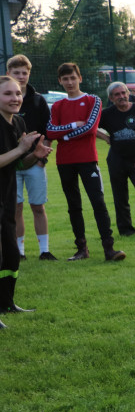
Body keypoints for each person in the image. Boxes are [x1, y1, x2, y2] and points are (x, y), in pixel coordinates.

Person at [45, 62, 125, 262]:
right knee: (73, 205)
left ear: (79, 78)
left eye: (73, 78)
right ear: (60, 81)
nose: (70, 82)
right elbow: (50, 131)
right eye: (65, 79)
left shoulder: (93, 100)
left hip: (87, 160)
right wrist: (73, 125)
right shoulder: (57, 106)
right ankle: (81, 249)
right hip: (64, 161)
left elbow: (90, 128)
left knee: (98, 202)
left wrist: (64, 136)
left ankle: (109, 248)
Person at [0, 75, 52, 323]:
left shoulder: (19, 122)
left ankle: (6, 304)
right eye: (8, 94)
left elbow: (19, 163)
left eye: (18, 93)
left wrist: (35, 155)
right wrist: (22, 149)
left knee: (11, 254)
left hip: (7, 196)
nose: (15, 98)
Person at [5, 55, 56, 261]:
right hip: (10, 163)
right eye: (16, 73)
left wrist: (42, 157)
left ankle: (44, 250)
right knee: (15, 208)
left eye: (24, 73)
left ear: (29, 74)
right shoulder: (4, 100)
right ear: (8, 74)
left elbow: (47, 131)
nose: (21, 76)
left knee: (38, 206)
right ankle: (20, 251)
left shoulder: (38, 100)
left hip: (35, 161)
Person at [97, 82, 135, 237]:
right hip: (116, 160)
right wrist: (105, 137)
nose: (121, 96)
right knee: (120, 196)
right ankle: (126, 231)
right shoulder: (107, 114)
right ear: (111, 98)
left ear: (128, 93)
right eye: (117, 94)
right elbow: (90, 127)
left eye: (123, 93)